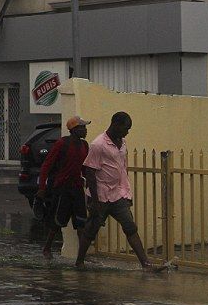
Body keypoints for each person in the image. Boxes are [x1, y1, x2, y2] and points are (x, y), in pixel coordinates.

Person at [76, 111, 157, 270]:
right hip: (101, 195)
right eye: (126, 128)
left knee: (130, 227)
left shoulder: (123, 143)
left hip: (118, 195)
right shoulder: (98, 145)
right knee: (91, 230)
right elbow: (90, 172)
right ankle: (79, 261)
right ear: (116, 125)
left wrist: (126, 192)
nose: (127, 132)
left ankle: (145, 264)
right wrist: (95, 201)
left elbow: (122, 168)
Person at [36, 116, 90, 259]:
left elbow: (84, 167)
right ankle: (47, 248)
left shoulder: (84, 145)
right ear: (74, 130)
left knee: (81, 222)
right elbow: (47, 165)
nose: (85, 130)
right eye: (82, 128)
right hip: (62, 188)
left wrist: (89, 183)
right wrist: (42, 187)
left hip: (77, 187)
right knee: (57, 220)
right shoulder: (62, 143)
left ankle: (81, 256)